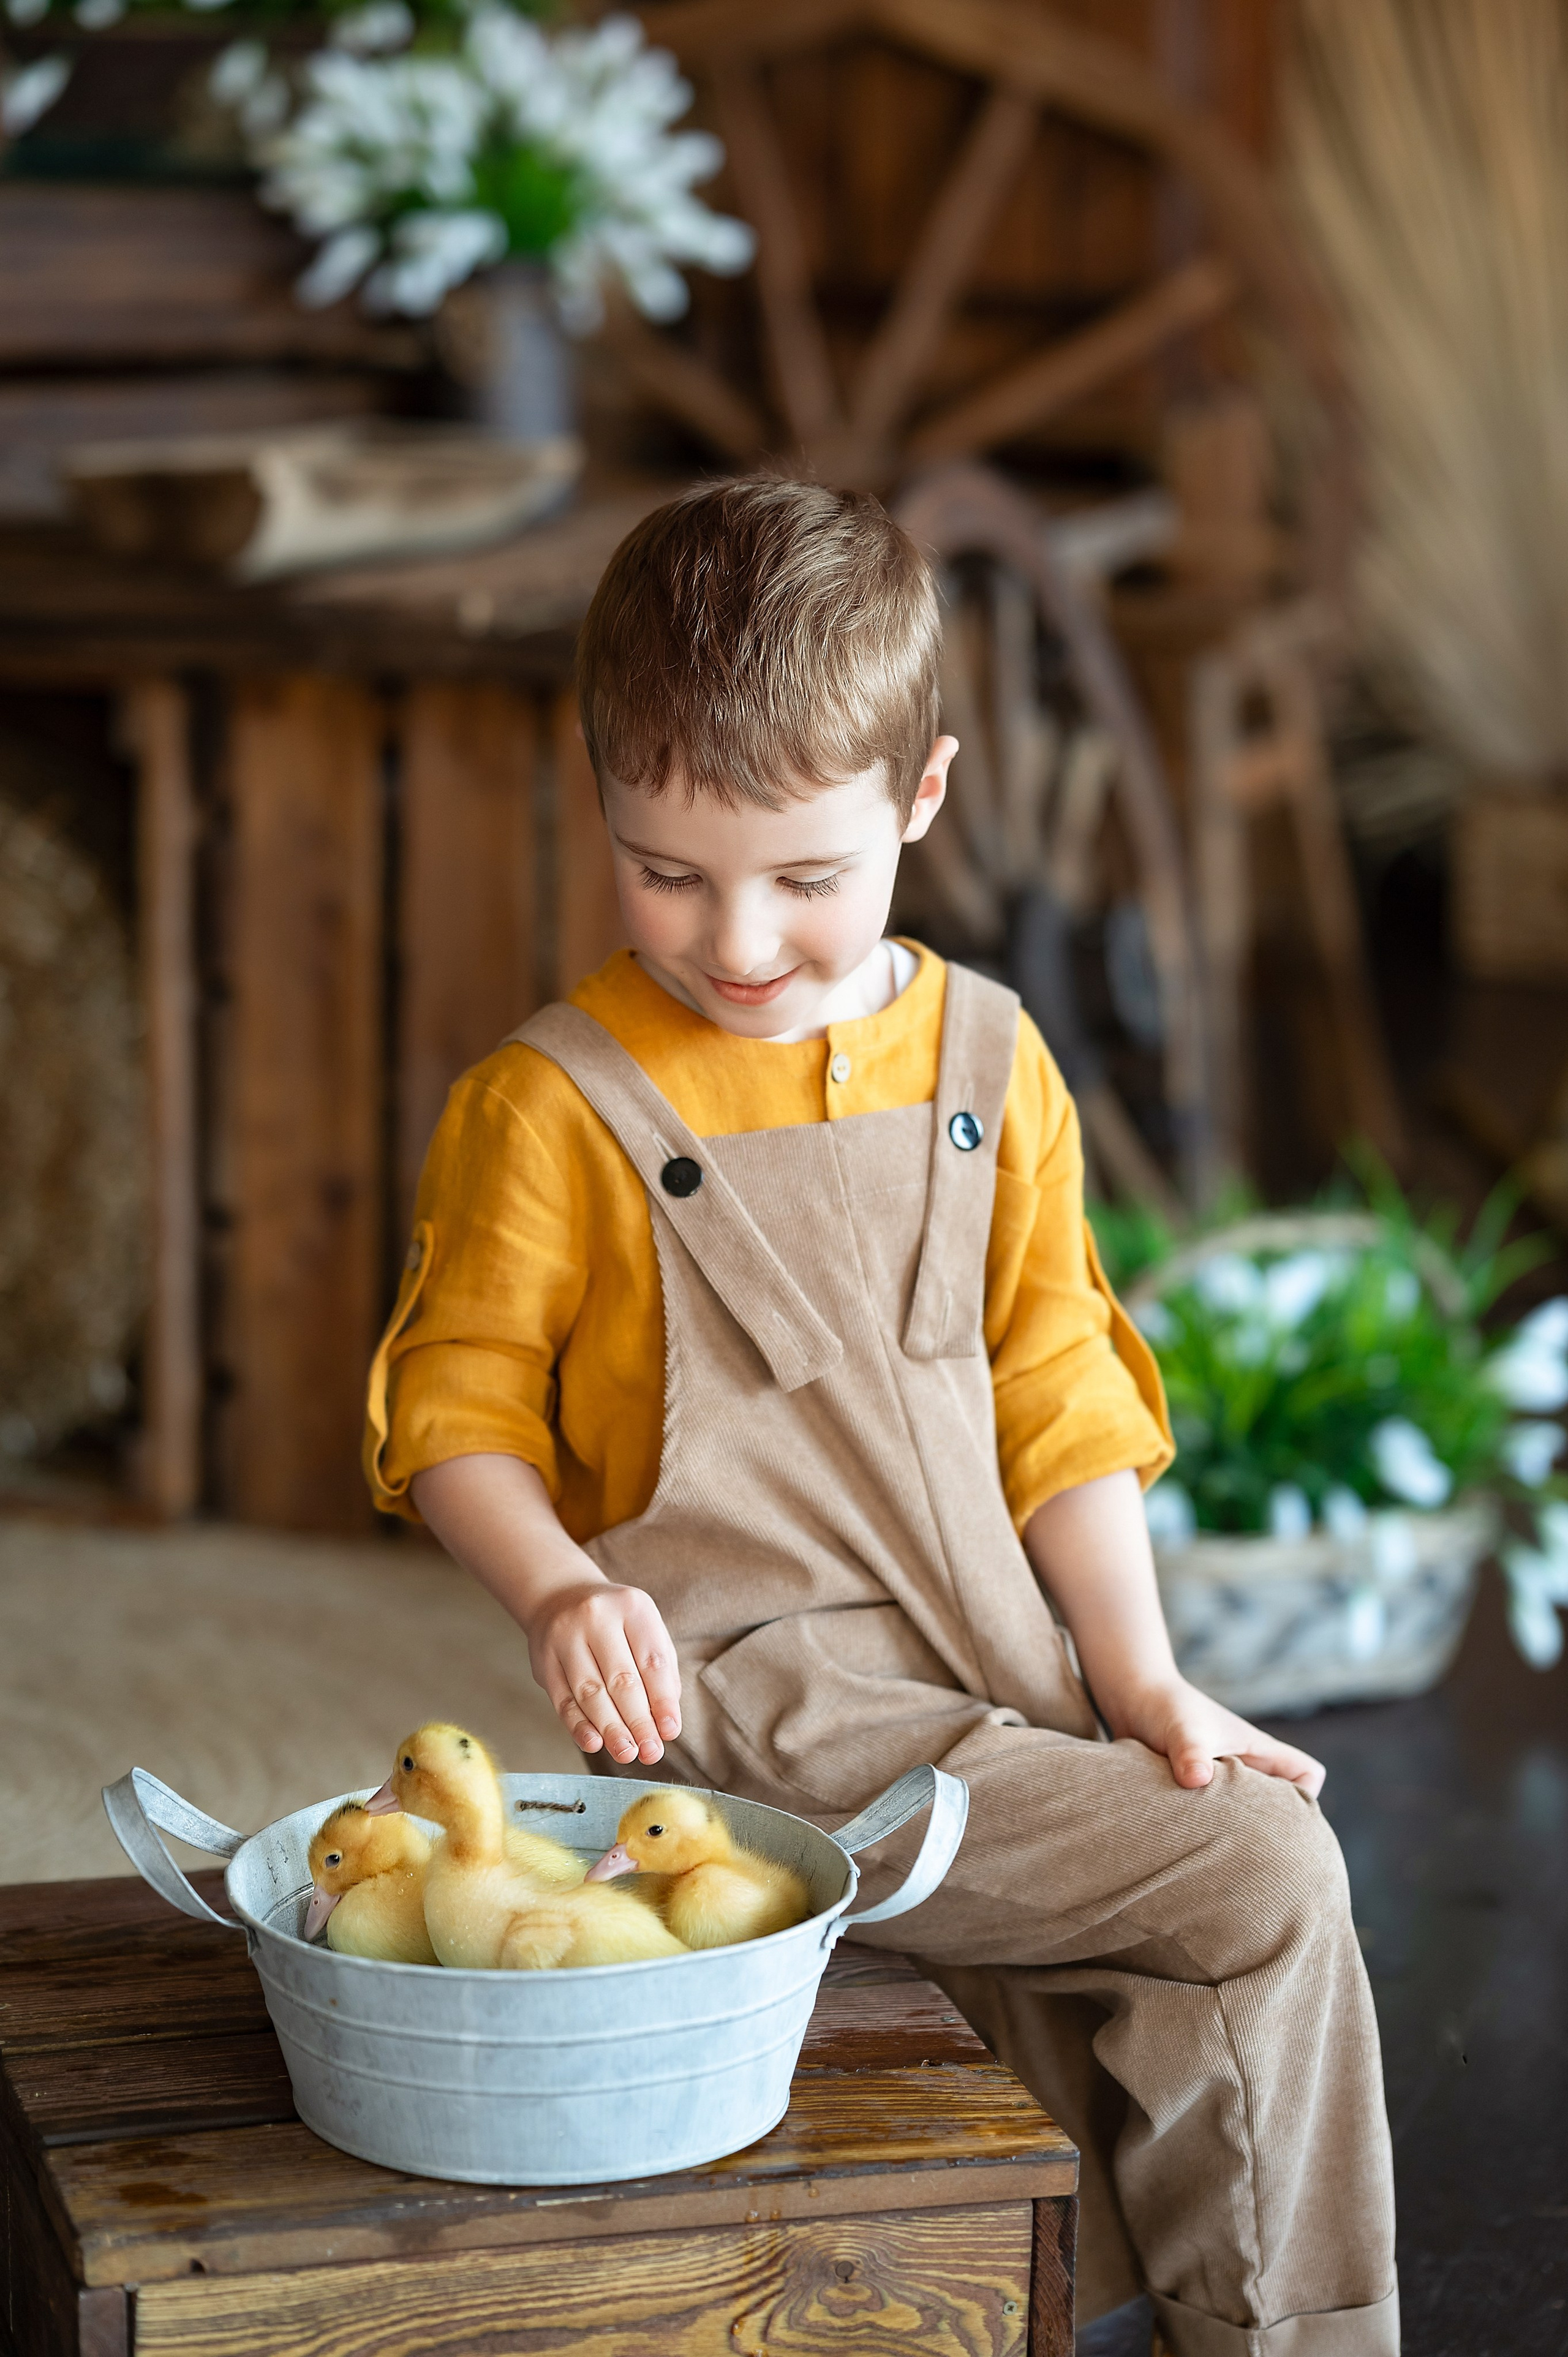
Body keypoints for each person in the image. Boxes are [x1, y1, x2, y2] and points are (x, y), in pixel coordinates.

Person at [364, 476, 1396, 2357]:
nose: (739, 940)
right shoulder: (548, 1104)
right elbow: (456, 1406)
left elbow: (1062, 1397)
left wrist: (1141, 1683)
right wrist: (559, 1589)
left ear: (923, 796)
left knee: (1192, 1867)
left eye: (806, 878)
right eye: (667, 872)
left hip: (991, 1677)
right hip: (761, 1716)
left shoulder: (996, 1060)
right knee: (1267, 1875)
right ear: (602, 801)